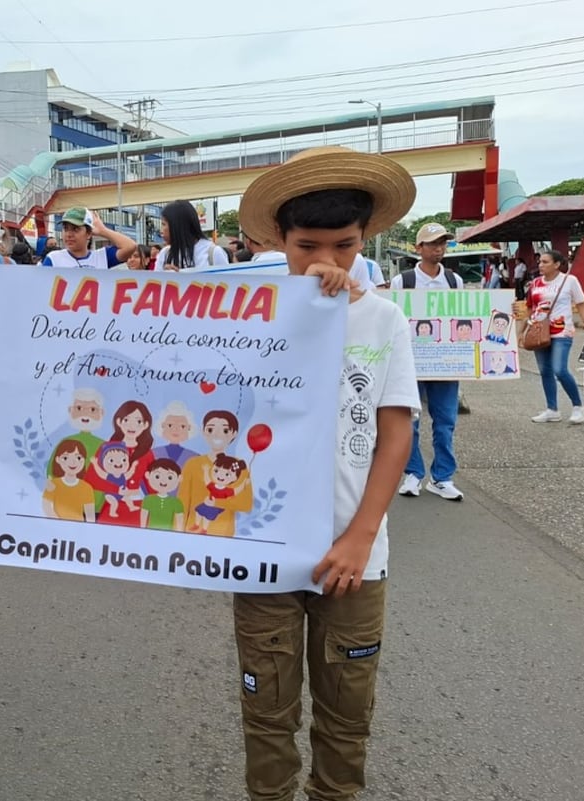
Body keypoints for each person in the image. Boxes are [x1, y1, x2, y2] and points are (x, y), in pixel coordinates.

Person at [232, 144, 420, 801]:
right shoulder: (243, 311)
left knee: (346, 722)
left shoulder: (385, 319)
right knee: (267, 715)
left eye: (344, 245)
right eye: (307, 244)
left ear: (365, 237)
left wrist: (362, 534)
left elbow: (396, 431)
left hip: (354, 556)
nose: (326, 261)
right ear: (276, 238)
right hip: (261, 552)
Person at [391, 223, 465, 502]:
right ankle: (413, 473)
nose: (439, 248)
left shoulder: (454, 280)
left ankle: (442, 477)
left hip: (445, 362)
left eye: (443, 243)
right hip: (411, 364)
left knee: (445, 421)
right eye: (433, 243)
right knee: (410, 420)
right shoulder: (403, 281)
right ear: (418, 248)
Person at [523, 250, 584, 424]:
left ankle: (578, 407)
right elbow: (530, 308)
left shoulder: (570, 281)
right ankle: (552, 410)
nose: (540, 265)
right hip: (539, 330)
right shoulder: (535, 283)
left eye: (545, 262)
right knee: (545, 371)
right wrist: (521, 332)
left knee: (559, 369)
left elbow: (581, 303)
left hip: (561, 331)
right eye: (540, 262)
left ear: (557, 264)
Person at [177, 410, 253, 535]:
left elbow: (245, 504)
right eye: (211, 430)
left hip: (223, 536)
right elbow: (182, 502)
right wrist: (176, 532)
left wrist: (217, 502)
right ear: (204, 432)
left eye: (225, 431)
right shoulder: (193, 464)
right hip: (190, 534)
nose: (217, 435)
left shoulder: (238, 466)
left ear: (233, 434)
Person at [41, 207, 137, 269]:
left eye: (75, 229)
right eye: (66, 229)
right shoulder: (53, 259)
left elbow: (130, 246)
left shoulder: (102, 257)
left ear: (89, 233)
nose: (69, 234)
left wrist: (103, 231)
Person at [153, 200, 229, 271]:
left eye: (163, 224)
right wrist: (164, 278)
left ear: (177, 226)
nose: (161, 230)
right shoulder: (164, 254)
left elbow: (229, 283)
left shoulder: (213, 253)